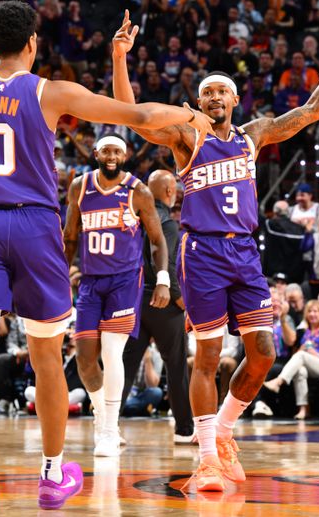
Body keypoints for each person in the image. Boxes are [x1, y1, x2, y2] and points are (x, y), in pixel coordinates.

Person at [0, 1, 214, 515]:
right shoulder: (51, 91)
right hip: (35, 227)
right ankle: (53, 474)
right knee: (44, 357)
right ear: (33, 43)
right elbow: (140, 116)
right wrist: (194, 117)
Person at [111, 9, 319, 491]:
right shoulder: (189, 137)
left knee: (264, 352)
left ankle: (223, 432)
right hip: (203, 252)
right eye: (206, 92)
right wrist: (121, 60)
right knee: (205, 357)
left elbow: (310, 112)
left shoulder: (254, 134)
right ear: (199, 102)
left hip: (246, 252)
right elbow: (135, 117)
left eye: (221, 90)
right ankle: (205, 458)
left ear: (234, 98)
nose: (214, 97)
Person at [63, 133, 171, 457]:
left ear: (124, 156)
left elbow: (156, 239)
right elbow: (70, 238)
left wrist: (163, 278)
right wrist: (58, 275)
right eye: (106, 150)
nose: (111, 156)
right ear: (96, 152)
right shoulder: (79, 187)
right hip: (91, 281)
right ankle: (102, 414)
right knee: (84, 358)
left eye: (117, 152)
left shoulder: (138, 191)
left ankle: (109, 430)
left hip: (125, 280)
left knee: (111, 353)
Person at [121, 169, 194, 445]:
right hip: (162, 302)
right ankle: (184, 430)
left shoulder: (133, 219)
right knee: (176, 368)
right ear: (168, 192)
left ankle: (108, 429)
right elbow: (167, 266)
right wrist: (180, 300)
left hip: (133, 300)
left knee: (124, 367)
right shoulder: (168, 223)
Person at [262, 300, 319, 419]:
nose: (312, 314)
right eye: (309, 311)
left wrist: (317, 354)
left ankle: (278, 381)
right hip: (306, 365)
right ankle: (304, 409)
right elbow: (295, 355)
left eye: (315, 311)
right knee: (300, 371)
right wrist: (301, 348)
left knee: (301, 356)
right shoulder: (301, 332)